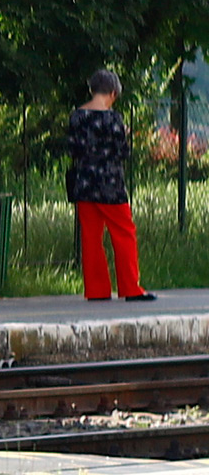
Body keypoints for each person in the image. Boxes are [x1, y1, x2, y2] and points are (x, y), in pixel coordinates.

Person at [67, 69, 155, 302]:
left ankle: (97, 290)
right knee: (124, 233)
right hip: (111, 184)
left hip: (84, 183)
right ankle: (130, 288)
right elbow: (123, 152)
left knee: (91, 237)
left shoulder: (76, 116)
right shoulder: (113, 119)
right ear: (113, 93)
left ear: (92, 90)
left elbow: (73, 149)